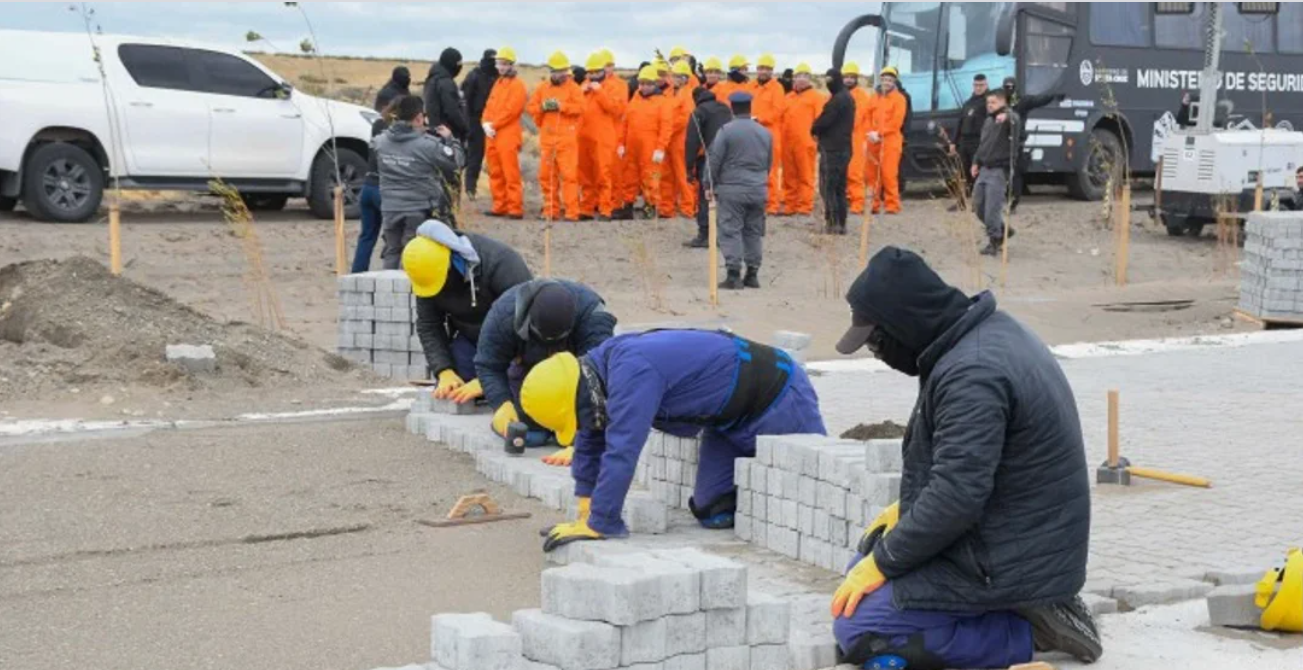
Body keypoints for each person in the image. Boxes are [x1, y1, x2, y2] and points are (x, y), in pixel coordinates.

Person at [830, 245, 1099, 669]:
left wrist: (889, 559)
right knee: (858, 570)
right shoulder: (981, 336)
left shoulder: (972, 373)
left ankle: (1029, 630)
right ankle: (1020, 608)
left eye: (876, 341)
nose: (876, 353)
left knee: (860, 627)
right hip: (1009, 535)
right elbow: (971, 468)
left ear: (903, 324)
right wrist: (904, 516)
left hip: (1010, 557)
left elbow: (958, 494)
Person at [521, 329, 826, 551]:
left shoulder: (632, 371)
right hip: (727, 421)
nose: (585, 423)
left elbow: (622, 450)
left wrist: (601, 523)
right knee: (711, 511)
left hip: (778, 394)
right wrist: (585, 511)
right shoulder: (594, 375)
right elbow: (591, 435)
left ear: (580, 392)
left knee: (817, 489)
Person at [476, 279, 617, 455]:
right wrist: (502, 404)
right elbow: (488, 365)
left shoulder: (592, 316)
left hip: (576, 379)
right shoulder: (503, 314)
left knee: (573, 437)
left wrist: (587, 437)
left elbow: (598, 376)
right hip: (530, 373)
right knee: (532, 436)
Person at [402, 220, 532, 399]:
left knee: (517, 389)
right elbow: (429, 324)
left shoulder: (501, 263)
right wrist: (444, 370)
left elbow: (528, 326)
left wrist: (491, 378)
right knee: (454, 390)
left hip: (511, 344)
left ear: (449, 264)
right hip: (470, 340)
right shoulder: (427, 271)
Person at [373, 96, 465, 268]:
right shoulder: (428, 145)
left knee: (392, 250)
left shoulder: (381, 141)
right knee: (411, 251)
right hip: (417, 208)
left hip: (389, 207)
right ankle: (406, 290)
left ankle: (388, 286)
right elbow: (457, 162)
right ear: (418, 118)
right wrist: (450, 140)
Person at [709, 92, 772, 290]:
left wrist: (708, 184)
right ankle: (752, 274)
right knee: (753, 231)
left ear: (732, 108)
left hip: (732, 189)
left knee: (731, 230)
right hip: (758, 188)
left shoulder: (726, 131)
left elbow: (715, 160)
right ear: (749, 107)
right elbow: (768, 163)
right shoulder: (764, 132)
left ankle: (733, 274)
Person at [528, 52, 585, 222]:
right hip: (547, 139)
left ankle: (571, 212)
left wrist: (562, 106)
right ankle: (550, 211)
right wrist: (543, 107)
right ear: (551, 71)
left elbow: (581, 108)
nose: (559, 74)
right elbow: (531, 107)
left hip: (566, 140)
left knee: (569, 177)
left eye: (562, 71)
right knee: (546, 176)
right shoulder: (542, 88)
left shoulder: (573, 88)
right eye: (556, 71)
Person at [615, 65, 674, 220]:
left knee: (651, 178)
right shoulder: (635, 99)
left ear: (655, 84)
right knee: (629, 177)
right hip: (632, 147)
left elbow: (666, 127)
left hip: (651, 147)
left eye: (648, 83)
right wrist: (621, 143)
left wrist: (661, 148)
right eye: (642, 83)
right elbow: (624, 123)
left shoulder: (663, 102)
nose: (644, 86)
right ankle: (627, 207)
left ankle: (650, 208)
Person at [683, 86, 734, 249]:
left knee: (706, 196)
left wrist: (689, 168)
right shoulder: (725, 109)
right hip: (729, 158)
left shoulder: (698, 112)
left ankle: (705, 235)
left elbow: (691, 141)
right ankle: (725, 233)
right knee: (725, 196)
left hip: (709, 159)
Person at [972, 90, 1020, 256]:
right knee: (978, 205)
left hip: (999, 170)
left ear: (1002, 103)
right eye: (988, 103)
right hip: (984, 168)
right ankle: (1002, 229)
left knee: (992, 208)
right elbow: (983, 144)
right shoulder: (988, 121)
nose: (989, 106)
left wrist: (1007, 116)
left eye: (993, 103)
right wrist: (976, 162)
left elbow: (1014, 119)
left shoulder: (1009, 118)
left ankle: (995, 241)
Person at [482, 47, 528, 220]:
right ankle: (499, 205)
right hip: (492, 134)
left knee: (510, 173)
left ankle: (515, 208)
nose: (499, 67)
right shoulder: (498, 83)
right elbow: (489, 105)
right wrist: (485, 123)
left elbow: (512, 111)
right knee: (495, 172)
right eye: (498, 63)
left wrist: (493, 124)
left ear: (510, 65)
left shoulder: (518, 86)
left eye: (503, 64)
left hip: (507, 134)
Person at [1002, 76, 1060, 213]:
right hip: (1002, 143)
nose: (1008, 90)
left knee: (1015, 174)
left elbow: (1040, 100)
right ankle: (1001, 200)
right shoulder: (1000, 101)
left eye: (1011, 87)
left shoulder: (1023, 101)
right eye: (1006, 87)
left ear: (1015, 88)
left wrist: (1053, 94)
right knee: (1001, 173)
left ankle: (1013, 204)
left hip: (1017, 143)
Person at [578, 52, 623, 221]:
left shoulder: (612, 86)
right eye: (589, 72)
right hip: (583, 136)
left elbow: (616, 110)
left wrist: (600, 92)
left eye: (596, 72)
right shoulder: (584, 85)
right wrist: (580, 92)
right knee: (584, 174)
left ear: (602, 71)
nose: (592, 76)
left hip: (603, 137)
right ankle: (587, 209)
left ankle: (605, 209)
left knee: (603, 173)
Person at [423, 48, 470, 208]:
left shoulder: (431, 80)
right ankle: (450, 210)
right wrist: (464, 128)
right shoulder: (445, 82)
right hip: (447, 134)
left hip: (432, 133)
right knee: (452, 173)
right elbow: (452, 110)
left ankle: (438, 207)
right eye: (458, 64)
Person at [353, 97, 396, 273]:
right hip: (384, 189)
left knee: (366, 237)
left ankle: (358, 273)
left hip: (368, 186)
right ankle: (390, 274)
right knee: (394, 239)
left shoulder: (377, 125)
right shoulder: (395, 132)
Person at [813, 68, 855, 236]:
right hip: (844, 148)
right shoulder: (848, 97)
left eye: (830, 80)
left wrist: (814, 128)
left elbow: (824, 121)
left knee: (828, 187)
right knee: (839, 187)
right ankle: (841, 223)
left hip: (832, 149)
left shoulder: (837, 100)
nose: (828, 83)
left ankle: (833, 223)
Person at [780, 63, 825, 216]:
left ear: (810, 79)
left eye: (805, 76)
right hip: (787, 141)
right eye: (798, 76)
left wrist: (816, 139)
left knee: (805, 175)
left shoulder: (816, 97)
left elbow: (820, 120)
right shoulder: (788, 97)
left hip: (805, 142)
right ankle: (790, 204)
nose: (801, 79)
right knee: (789, 175)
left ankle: (804, 205)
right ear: (794, 78)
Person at [865, 67, 907, 215]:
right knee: (871, 175)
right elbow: (867, 115)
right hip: (873, 141)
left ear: (894, 82)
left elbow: (897, 122)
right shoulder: (874, 97)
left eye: (889, 80)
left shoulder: (899, 99)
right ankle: (873, 205)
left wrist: (880, 133)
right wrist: (870, 132)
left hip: (890, 141)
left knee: (889, 174)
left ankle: (892, 205)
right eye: (884, 80)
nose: (886, 83)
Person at [460, 49, 499, 200]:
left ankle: (497, 192)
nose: (494, 64)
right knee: (475, 156)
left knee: (495, 157)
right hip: (475, 120)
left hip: (494, 121)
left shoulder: (498, 77)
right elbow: (465, 101)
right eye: (492, 60)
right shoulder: (474, 75)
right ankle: (470, 188)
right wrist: (467, 123)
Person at [662, 60, 699, 219]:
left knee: (683, 174)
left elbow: (685, 118)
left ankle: (687, 208)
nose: (674, 79)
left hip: (681, 140)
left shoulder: (689, 94)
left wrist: (667, 130)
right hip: (667, 139)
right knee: (666, 175)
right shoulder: (667, 93)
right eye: (673, 75)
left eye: (678, 76)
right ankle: (666, 208)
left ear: (685, 78)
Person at [753, 54, 787, 216]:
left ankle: (772, 204)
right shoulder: (752, 87)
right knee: (753, 170)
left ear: (772, 71)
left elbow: (778, 111)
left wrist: (759, 119)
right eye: (761, 68)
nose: (763, 71)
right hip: (752, 135)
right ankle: (756, 202)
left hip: (770, 135)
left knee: (771, 171)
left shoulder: (777, 88)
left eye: (767, 69)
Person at [949, 74, 989, 206]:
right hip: (964, 141)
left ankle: (978, 202)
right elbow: (959, 122)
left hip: (979, 141)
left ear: (986, 85)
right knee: (961, 171)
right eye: (976, 85)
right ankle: (960, 201)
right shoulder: (968, 103)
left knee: (977, 172)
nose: (978, 88)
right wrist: (953, 142)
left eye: (981, 85)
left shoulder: (988, 102)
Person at [842, 63, 875, 217]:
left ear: (856, 79)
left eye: (851, 77)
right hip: (840, 138)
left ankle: (858, 203)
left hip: (855, 137)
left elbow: (858, 116)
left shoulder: (861, 95)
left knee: (854, 172)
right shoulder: (837, 94)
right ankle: (847, 198)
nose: (848, 80)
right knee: (842, 171)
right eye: (846, 77)